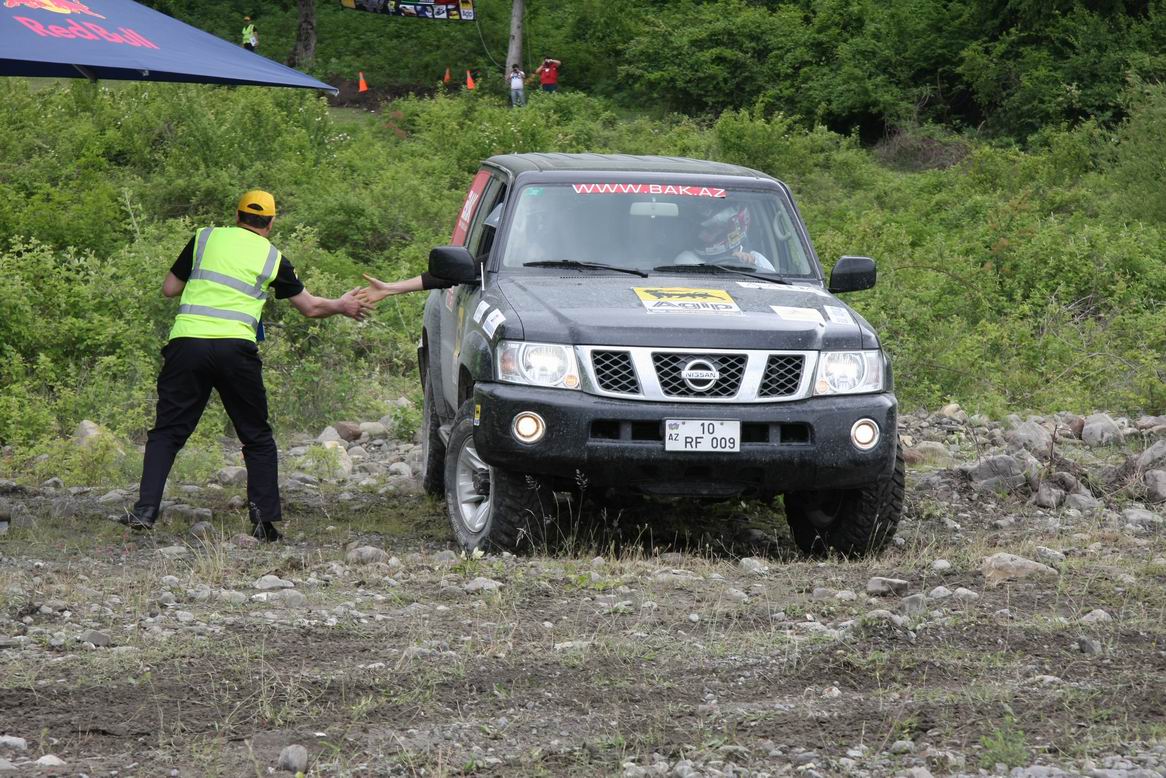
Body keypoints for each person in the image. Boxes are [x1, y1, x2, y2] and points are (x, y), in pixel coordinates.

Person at [121, 190, 372, 541]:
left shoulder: (205, 238)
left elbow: (169, 288)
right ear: (270, 223)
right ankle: (263, 523)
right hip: (235, 351)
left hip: (187, 345)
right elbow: (311, 307)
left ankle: (146, 510)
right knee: (256, 436)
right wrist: (343, 305)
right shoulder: (272, 257)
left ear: (237, 215)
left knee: (167, 432)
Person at [675, 203, 776, 271]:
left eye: (711, 230)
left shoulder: (757, 260)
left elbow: (775, 291)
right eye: (701, 230)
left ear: (733, 231)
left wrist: (748, 267)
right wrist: (732, 266)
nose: (702, 237)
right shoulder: (687, 259)